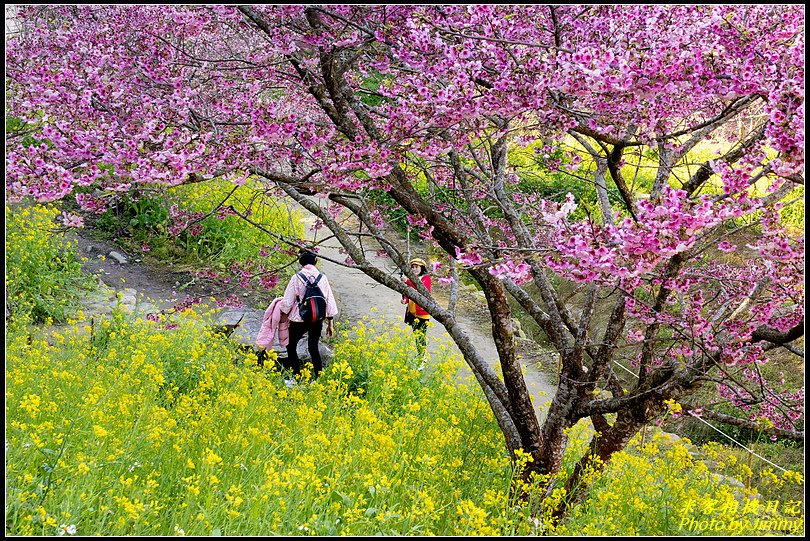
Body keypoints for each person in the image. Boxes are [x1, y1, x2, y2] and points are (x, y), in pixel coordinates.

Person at [278, 250, 338, 382]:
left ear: (301, 262)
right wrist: (330, 323)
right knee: (313, 347)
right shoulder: (323, 278)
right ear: (315, 262)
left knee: (291, 346)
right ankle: (318, 378)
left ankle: (296, 378)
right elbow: (329, 300)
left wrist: (280, 309)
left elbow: (287, 303)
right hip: (317, 318)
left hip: (300, 318)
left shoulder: (297, 277)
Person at [401, 257, 432, 363]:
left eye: (417, 267)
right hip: (412, 311)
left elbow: (420, 288)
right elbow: (408, 291)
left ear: (422, 268)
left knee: (421, 335)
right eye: (413, 267)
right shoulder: (411, 278)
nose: (414, 269)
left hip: (422, 312)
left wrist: (407, 281)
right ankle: (420, 354)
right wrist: (405, 299)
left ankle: (422, 357)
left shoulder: (425, 278)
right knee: (416, 334)